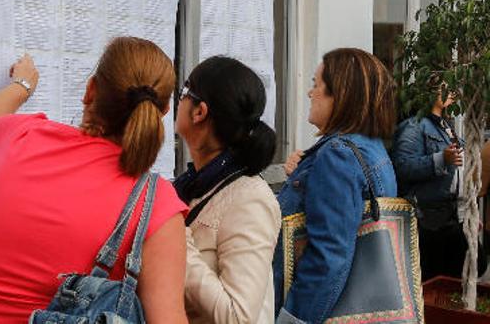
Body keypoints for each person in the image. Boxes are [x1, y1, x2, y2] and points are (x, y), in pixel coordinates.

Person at [0, 37, 189, 324]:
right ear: (163, 112)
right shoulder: (156, 204)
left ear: (90, 90)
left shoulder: (21, 138)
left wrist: (23, 84)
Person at [273, 48, 398, 324]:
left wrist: (292, 319)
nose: (310, 93)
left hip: (318, 312)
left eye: (316, 85)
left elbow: (329, 256)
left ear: (340, 95)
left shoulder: (338, 154)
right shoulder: (371, 148)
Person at [173, 56, 281, 324]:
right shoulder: (190, 185)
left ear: (200, 112)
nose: (177, 100)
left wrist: (174, 236)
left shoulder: (250, 199)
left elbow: (238, 316)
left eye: (185, 91)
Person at [391, 91, 487, 280]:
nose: (452, 93)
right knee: (434, 281)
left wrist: (469, 212)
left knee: (472, 268)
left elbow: (458, 175)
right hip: (429, 220)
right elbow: (403, 167)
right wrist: (441, 158)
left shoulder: (446, 127)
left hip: (451, 216)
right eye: (444, 87)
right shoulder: (414, 126)